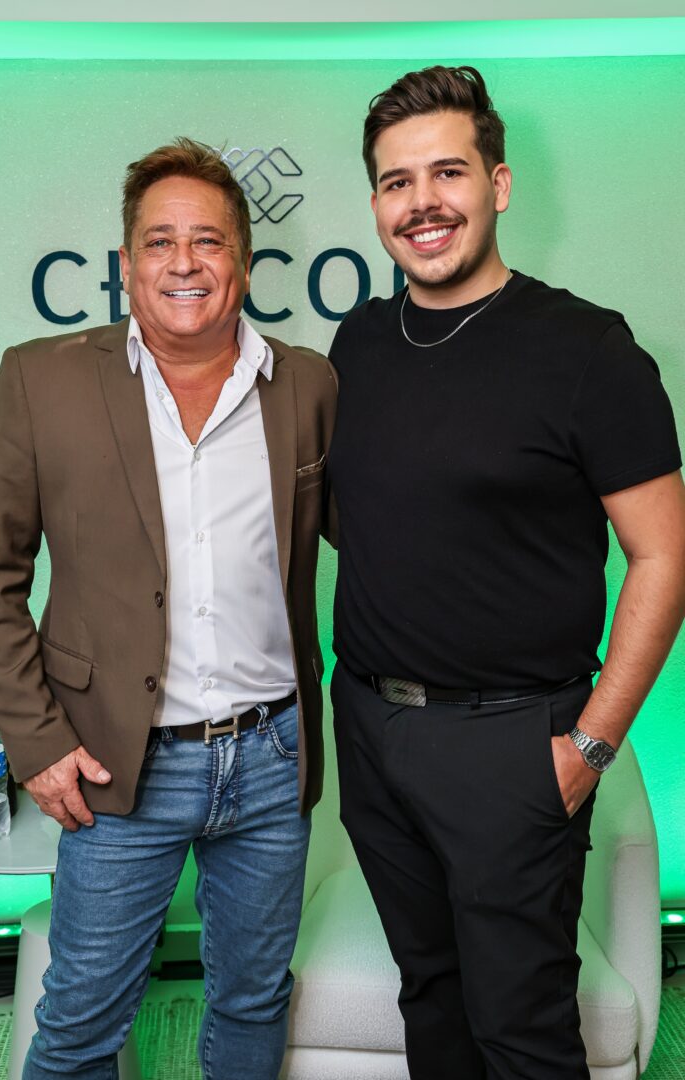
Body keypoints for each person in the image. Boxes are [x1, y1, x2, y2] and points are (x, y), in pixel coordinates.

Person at [327, 65, 685, 1080]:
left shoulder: (588, 351)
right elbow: (373, 518)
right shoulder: (360, 341)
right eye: (397, 182)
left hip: (513, 743)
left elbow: (665, 555)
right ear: (376, 204)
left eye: (447, 173)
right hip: (374, 728)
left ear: (499, 184)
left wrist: (591, 746)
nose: (422, 202)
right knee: (430, 999)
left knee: (521, 1033)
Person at [0, 137, 336, 1080]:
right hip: (115, 764)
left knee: (253, 1002)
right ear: (127, 262)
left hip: (271, 757)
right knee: (81, 1024)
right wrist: (37, 743)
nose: (184, 263)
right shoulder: (39, 380)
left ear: (243, 260)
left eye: (207, 240)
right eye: (160, 242)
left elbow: (381, 542)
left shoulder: (308, 385)